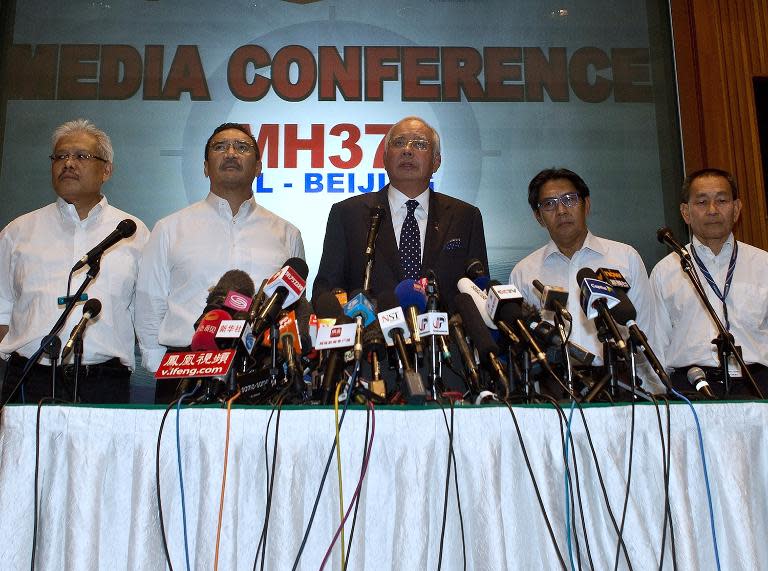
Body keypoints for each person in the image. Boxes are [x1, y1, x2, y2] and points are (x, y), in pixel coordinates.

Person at [135, 122, 304, 400]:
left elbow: (291, 307)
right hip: (185, 368)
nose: (230, 153)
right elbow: (149, 301)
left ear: (259, 167)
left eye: (242, 147)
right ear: (204, 167)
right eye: (220, 147)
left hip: (260, 372)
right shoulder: (169, 228)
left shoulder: (287, 233)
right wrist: (159, 366)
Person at [0, 119, 149, 404]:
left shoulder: (133, 232)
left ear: (106, 170)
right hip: (28, 380)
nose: (68, 163)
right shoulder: (18, 231)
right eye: (60, 156)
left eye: (81, 156)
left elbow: (145, 314)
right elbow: (2, 310)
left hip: (104, 382)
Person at [510, 168, 660, 395]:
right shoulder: (524, 273)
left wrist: (653, 392)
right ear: (538, 217)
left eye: (569, 200)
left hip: (619, 384)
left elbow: (646, 330)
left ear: (586, 205)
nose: (561, 210)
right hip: (556, 389)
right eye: (549, 204)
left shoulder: (625, 258)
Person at [313, 116, 488, 307]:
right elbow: (326, 293)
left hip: (445, 335)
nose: (407, 151)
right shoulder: (348, 214)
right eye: (399, 143)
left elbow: (481, 295)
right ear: (385, 159)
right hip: (370, 333)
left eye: (420, 144)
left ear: (436, 162)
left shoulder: (465, 217)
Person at [650, 168, 768, 398]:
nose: (712, 210)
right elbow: (657, 346)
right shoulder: (665, 271)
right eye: (702, 202)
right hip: (690, 386)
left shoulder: (763, 264)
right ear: (685, 212)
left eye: (722, 201)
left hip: (757, 384)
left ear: (736, 209)